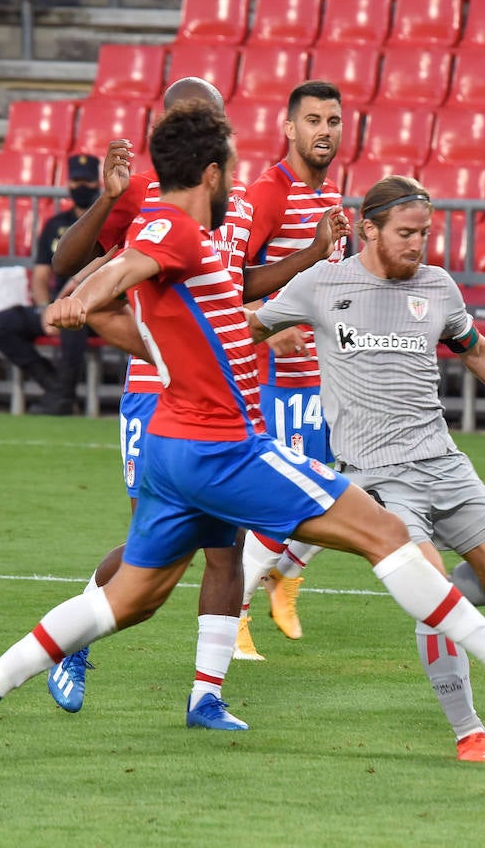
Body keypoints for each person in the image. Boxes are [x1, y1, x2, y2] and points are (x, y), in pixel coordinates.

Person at [0, 99, 485, 769]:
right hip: (224, 444)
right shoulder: (177, 228)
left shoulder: (183, 246)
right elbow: (125, 267)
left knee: (125, 599)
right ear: (213, 174)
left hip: (174, 446)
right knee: (384, 533)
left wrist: (96, 308)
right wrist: (85, 292)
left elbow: (143, 314)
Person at [41, 78, 342, 730]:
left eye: (212, 117)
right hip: (157, 392)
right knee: (156, 545)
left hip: (225, 388)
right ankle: (72, 641)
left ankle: (206, 694)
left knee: (225, 546)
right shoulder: (149, 198)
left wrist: (307, 259)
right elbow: (70, 259)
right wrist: (106, 200)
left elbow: (235, 283)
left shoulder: (225, 202)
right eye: (190, 116)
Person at [251, 174, 485, 762]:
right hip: (375, 473)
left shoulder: (438, 286)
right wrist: (248, 335)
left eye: (424, 232)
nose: (417, 244)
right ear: (369, 229)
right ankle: (469, 731)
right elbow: (245, 325)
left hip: (443, 461)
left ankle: (441, 609)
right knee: (431, 591)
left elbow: (475, 349)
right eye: (406, 233)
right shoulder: (324, 282)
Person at [235, 80, 349, 659]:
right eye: (312, 120)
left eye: (332, 120)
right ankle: (236, 614)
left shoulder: (332, 201)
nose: (324, 130)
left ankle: (286, 575)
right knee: (285, 499)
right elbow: (231, 286)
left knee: (362, 487)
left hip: (328, 377)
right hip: (273, 380)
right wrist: (272, 327)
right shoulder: (267, 194)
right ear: (289, 128)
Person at [0, 153, 99, 416]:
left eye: (88, 181)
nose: (82, 186)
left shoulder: (108, 221)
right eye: (77, 180)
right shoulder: (56, 224)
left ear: (99, 183)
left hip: (97, 308)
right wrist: (46, 308)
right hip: (58, 302)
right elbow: (40, 275)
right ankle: (51, 384)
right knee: (0, 324)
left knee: (72, 323)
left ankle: (62, 398)